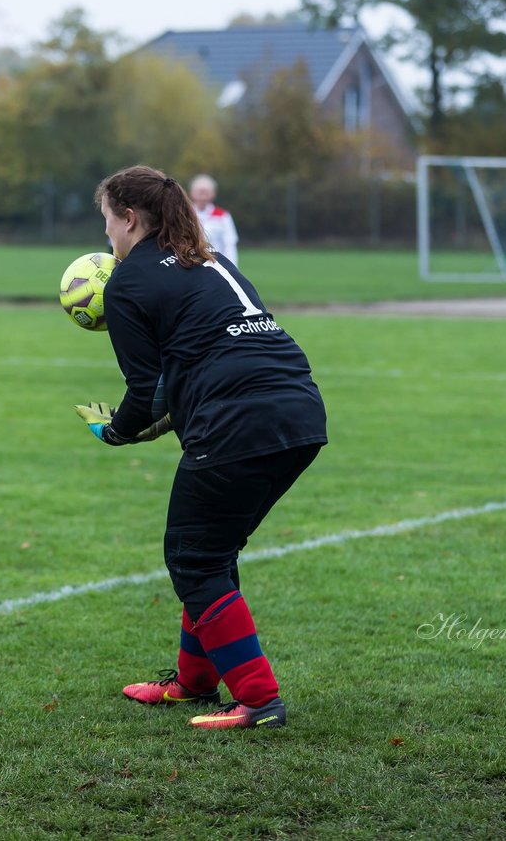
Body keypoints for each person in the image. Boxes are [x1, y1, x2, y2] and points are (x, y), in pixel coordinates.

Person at [73, 164, 327, 730]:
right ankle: (194, 682)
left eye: (108, 223)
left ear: (131, 219)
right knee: (211, 552)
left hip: (236, 420)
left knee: (193, 558)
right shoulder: (213, 260)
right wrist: (169, 412)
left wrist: (117, 430)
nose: (107, 238)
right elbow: (198, 357)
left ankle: (259, 701)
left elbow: (145, 390)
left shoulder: (128, 282)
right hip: (299, 408)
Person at [189, 173, 239, 268]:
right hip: (192, 265)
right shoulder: (184, 215)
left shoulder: (223, 216)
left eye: (206, 190)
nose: (202, 193)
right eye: (199, 190)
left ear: (213, 193)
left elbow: (229, 244)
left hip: (216, 265)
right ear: (191, 192)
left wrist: (232, 268)